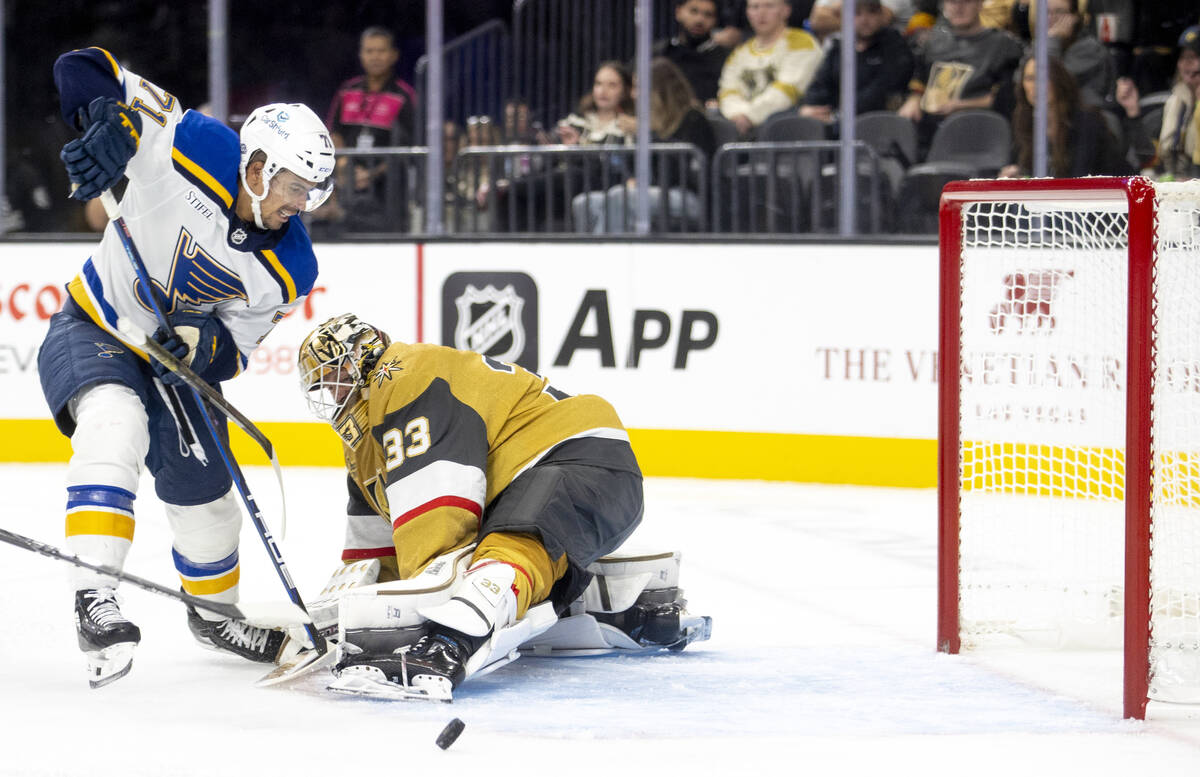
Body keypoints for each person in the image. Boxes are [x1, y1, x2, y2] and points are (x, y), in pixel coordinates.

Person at [38, 46, 335, 687]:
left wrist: (204, 348)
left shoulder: (292, 266)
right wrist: (106, 120)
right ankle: (95, 597)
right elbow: (83, 65)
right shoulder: (192, 144)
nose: (302, 202)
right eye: (294, 186)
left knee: (209, 503)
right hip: (97, 325)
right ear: (257, 167)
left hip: (173, 369)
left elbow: (236, 347)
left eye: (313, 190)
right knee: (113, 426)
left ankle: (214, 613)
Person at [293, 314, 708, 699]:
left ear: (362, 360)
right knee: (501, 545)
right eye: (322, 384)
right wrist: (344, 621)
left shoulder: (403, 374)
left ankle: (450, 644)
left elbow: (437, 516)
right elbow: (375, 557)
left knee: (506, 548)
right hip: (543, 478)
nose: (331, 391)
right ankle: (617, 606)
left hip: (574, 455)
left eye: (335, 375)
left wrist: (422, 612)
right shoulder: (364, 445)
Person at [573, 57, 718, 233]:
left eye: (639, 87)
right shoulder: (648, 121)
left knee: (620, 196)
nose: (633, 94)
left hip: (689, 196)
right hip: (655, 191)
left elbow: (682, 172)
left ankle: (608, 256)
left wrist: (646, 134)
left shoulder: (692, 119)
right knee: (585, 202)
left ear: (659, 90)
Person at [897, 0, 1024, 155]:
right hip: (930, 131)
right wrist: (914, 99)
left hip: (980, 131)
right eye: (952, 2)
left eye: (966, 2)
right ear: (944, 6)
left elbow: (1005, 98)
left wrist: (960, 105)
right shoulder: (932, 42)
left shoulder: (1003, 46)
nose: (958, 8)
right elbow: (920, 80)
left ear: (980, 4)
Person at [324, 26, 418, 231]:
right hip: (347, 185)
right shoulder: (347, 91)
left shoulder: (404, 96)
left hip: (388, 191)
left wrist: (372, 173)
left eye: (381, 51)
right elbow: (334, 133)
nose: (375, 57)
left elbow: (407, 146)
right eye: (369, 51)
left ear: (394, 55)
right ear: (361, 55)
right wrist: (342, 164)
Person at [999, 56, 1137, 178]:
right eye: (1029, 79)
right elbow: (1023, 167)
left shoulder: (1086, 121)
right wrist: (1014, 174)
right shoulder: (1024, 121)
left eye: (1044, 77)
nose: (1036, 86)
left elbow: (1079, 177)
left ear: (1059, 81)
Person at [718, 0, 824, 138]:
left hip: (788, 133)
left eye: (769, 6)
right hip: (742, 128)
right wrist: (737, 115)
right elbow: (727, 93)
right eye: (754, 7)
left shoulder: (802, 42)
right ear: (747, 12)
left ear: (786, 10)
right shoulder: (739, 53)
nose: (761, 13)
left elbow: (786, 92)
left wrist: (750, 116)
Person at [799, 0, 915, 123]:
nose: (864, 20)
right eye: (857, 13)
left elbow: (882, 89)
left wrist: (839, 115)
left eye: (871, 12)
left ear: (881, 15)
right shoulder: (839, 47)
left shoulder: (894, 45)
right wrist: (811, 106)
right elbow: (821, 83)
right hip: (837, 120)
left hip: (879, 121)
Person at [1009, 0, 1117, 105]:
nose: (1051, 18)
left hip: (1083, 114)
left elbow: (1050, 81)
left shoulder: (1091, 49)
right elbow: (1019, 79)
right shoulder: (1043, 42)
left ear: (1075, 17)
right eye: (1046, 12)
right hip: (1049, 113)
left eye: (1059, 11)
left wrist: (1052, 39)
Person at [654, 0, 731, 107]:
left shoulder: (727, 60)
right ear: (678, 12)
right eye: (693, 11)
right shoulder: (660, 53)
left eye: (708, 15)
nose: (699, 20)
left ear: (715, 20)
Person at [1159, 25, 1200, 181]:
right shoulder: (1174, 100)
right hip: (1175, 184)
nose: (1186, 64)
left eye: (1195, 57)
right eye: (1183, 57)